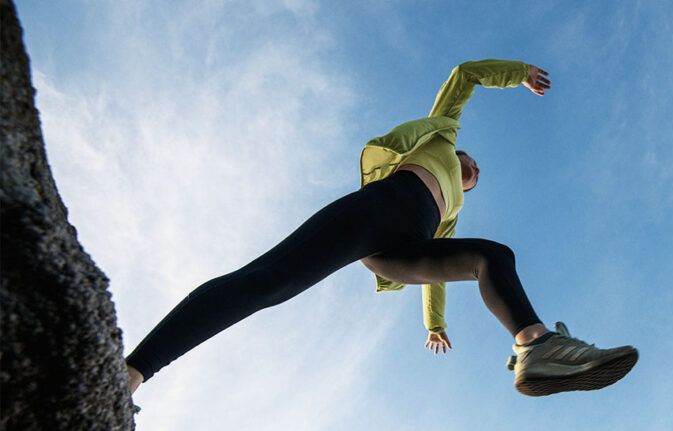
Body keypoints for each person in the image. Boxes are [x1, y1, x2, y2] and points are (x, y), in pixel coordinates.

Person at [125, 59, 638, 398]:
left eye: (476, 176)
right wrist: (517, 72)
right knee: (269, 282)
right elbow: (464, 76)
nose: (473, 171)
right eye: (471, 163)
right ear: (457, 152)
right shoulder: (444, 133)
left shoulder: (452, 212)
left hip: (405, 246)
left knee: (491, 256)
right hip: (374, 212)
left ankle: (536, 347)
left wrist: (433, 325)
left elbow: (436, 274)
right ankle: (134, 369)